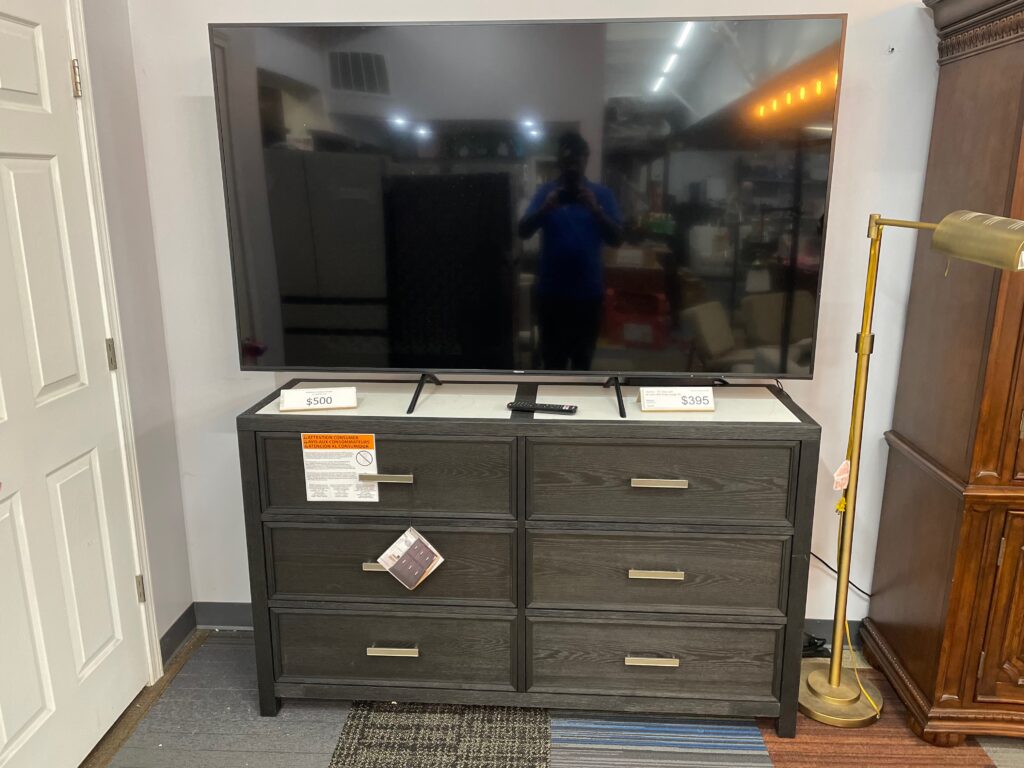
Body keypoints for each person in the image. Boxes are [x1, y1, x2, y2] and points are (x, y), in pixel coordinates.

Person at [518, 132, 623, 370]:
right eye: (567, 161)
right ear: (559, 162)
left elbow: (616, 239)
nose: (573, 166)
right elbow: (523, 231)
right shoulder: (546, 193)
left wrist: (596, 210)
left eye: (578, 160)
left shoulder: (602, 195)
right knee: (552, 362)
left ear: (586, 160)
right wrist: (544, 209)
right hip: (552, 296)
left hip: (588, 296)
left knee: (582, 364)